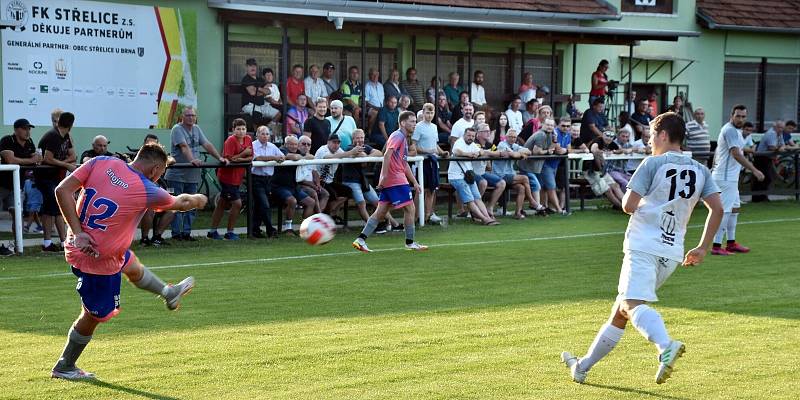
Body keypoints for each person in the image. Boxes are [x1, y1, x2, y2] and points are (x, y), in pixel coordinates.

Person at [561, 112, 724, 386]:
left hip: (643, 245)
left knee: (631, 304)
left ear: (662, 135)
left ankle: (665, 346)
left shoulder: (652, 163)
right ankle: (581, 367)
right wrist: (703, 247)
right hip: (672, 252)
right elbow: (718, 209)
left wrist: (643, 199)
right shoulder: (701, 170)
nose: (649, 142)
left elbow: (627, 205)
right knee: (621, 312)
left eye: (651, 136)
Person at [50, 143, 206, 380]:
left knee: (131, 265)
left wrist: (78, 231)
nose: (159, 178)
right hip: (97, 260)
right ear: (155, 169)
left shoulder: (101, 162)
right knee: (93, 316)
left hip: (81, 245)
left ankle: (168, 292)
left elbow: (62, 190)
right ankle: (65, 365)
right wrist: (199, 198)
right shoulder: (145, 189)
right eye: (161, 173)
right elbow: (181, 203)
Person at [352, 111, 427, 252]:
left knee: (380, 212)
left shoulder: (403, 139)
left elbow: (403, 164)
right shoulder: (397, 135)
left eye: (415, 122)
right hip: (395, 179)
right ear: (403, 123)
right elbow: (387, 154)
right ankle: (410, 243)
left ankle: (360, 240)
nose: (414, 124)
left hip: (395, 178)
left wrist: (415, 182)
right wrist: (384, 176)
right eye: (412, 121)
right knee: (410, 208)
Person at [164, 107, 228, 241]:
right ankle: (176, 234)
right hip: (176, 175)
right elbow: (183, 147)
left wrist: (219, 158)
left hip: (192, 175)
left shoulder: (197, 129)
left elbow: (207, 144)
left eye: (193, 115)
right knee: (176, 204)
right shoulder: (177, 129)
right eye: (188, 115)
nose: (191, 118)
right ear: (182, 116)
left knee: (192, 204)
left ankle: (186, 233)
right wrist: (192, 160)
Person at [710, 105, 764, 255]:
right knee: (725, 211)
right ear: (731, 115)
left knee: (734, 210)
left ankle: (731, 243)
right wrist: (754, 170)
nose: (741, 119)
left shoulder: (736, 132)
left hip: (730, 178)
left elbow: (720, 152)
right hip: (725, 178)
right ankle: (716, 246)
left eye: (743, 116)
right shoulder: (730, 130)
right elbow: (736, 154)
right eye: (738, 116)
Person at [0, 118, 43, 255]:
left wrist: (35, 160)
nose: (28, 131)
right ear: (16, 129)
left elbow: (37, 159)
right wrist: (32, 160)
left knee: (17, 215)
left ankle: (16, 246)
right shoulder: (7, 140)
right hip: (1, 185)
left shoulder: (29, 143)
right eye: (25, 128)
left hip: (16, 186)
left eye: (29, 128)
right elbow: (10, 160)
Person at [342, 129, 399, 229]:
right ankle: (371, 226)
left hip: (362, 181)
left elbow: (378, 153)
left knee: (379, 202)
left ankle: (395, 224)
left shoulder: (365, 147)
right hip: (350, 181)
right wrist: (363, 155)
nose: (360, 140)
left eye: (362, 137)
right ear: (353, 139)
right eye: (357, 138)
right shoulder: (349, 148)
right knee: (361, 203)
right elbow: (358, 154)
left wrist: (367, 156)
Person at [37, 111, 77, 252]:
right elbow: (47, 158)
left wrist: (61, 162)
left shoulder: (65, 136)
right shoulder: (53, 136)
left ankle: (59, 242)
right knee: (53, 207)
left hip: (54, 176)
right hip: (44, 176)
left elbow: (73, 155)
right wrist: (65, 165)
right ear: (71, 124)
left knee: (56, 208)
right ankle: (52, 243)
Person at [207, 119, 253, 241]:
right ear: (233, 130)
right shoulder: (230, 140)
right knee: (237, 203)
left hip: (237, 177)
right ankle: (230, 232)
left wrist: (240, 158)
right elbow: (228, 159)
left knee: (222, 203)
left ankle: (212, 232)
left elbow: (251, 156)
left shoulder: (248, 139)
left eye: (243, 129)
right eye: (238, 129)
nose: (241, 131)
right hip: (226, 177)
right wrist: (243, 154)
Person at [447, 127, 499, 225]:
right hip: (456, 177)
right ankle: (484, 219)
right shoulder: (459, 142)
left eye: (472, 136)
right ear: (464, 135)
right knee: (470, 199)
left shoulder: (473, 144)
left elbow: (482, 151)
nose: (470, 138)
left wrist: (478, 152)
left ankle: (488, 218)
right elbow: (457, 151)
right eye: (468, 135)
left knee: (477, 198)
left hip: (468, 176)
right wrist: (469, 154)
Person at [413, 103, 449, 224]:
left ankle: (428, 215)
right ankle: (415, 216)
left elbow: (435, 145)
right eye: (427, 112)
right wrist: (427, 151)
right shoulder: (418, 126)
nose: (429, 115)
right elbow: (413, 146)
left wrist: (442, 152)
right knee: (420, 190)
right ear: (423, 113)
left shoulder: (434, 127)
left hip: (433, 162)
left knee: (432, 189)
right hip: (422, 162)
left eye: (431, 113)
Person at [272, 135, 316, 234]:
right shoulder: (281, 150)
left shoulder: (298, 152)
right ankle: (288, 228)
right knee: (292, 201)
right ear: (285, 144)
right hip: (279, 186)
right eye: (291, 144)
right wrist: (301, 157)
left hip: (293, 186)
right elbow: (292, 157)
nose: (293, 146)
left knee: (311, 202)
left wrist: (301, 156)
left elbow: (312, 156)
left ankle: (304, 228)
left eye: (295, 144)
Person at [137, 134, 175, 246]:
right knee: (149, 210)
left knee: (172, 208)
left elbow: (172, 159)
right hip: (143, 193)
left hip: (157, 191)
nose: (151, 146)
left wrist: (166, 160)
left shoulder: (161, 157)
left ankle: (157, 237)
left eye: (154, 144)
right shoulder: (139, 157)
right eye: (149, 144)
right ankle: (144, 239)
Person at [521, 118, 564, 215]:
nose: (549, 127)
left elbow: (552, 148)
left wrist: (555, 140)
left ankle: (537, 207)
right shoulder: (541, 134)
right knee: (536, 186)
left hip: (534, 167)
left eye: (552, 125)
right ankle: (538, 209)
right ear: (543, 125)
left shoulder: (549, 135)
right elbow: (536, 151)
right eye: (547, 125)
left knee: (536, 187)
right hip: (527, 166)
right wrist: (547, 152)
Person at [494, 130, 538, 219]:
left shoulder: (514, 145)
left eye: (514, 137)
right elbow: (513, 155)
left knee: (521, 188)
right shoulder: (502, 144)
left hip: (510, 174)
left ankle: (518, 213)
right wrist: (521, 155)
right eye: (510, 137)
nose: (512, 139)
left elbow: (529, 151)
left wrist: (520, 153)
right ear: (506, 137)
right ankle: (531, 201)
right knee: (525, 178)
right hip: (500, 174)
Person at [315, 134, 359, 220]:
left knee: (348, 191)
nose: (336, 145)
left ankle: (329, 214)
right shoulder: (322, 149)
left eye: (338, 143)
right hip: (318, 180)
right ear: (328, 142)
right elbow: (329, 157)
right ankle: (322, 217)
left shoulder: (338, 150)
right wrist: (351, 152)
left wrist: (357, 152)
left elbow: (349, 156)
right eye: (334, 142)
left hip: (329, 182)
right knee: (332, 194)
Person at [250, 125, 281, 238]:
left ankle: (255, 230)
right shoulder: (252, 145)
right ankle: (270, 229)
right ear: (257, 134)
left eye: (267, 134)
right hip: (256, 179)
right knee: (265, 205)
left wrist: (280, 158)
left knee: (260, 206)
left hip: (268, 180)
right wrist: (274, 158)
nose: (265, 136)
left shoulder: (272, 146)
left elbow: (281, 156)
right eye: (262, 133)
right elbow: (258, 158)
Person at [474, 123, 507, 215]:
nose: (488, 133)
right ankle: (475, 209)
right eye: (485, 131)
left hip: (482, 172)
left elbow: (497, 152)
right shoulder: (474, 142)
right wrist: (493, 153)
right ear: (479, 133)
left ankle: (489, 207)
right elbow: (482, 152)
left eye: (489, 131)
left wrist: (496, 153)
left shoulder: (489, 144)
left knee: (502, 183)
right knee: (483, 183)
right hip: (471, 173)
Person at [751, 121, 785, 202]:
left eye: (782, 128)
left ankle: (763, 197)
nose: (781, 129)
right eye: (780, 127)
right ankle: (757, 198)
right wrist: (779, 148)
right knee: (761, 178)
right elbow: (771, 147)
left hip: (767, 158)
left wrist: (781, 147)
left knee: (768, 178)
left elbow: (783, 144)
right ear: (775, 127)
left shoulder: (779, 134)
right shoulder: (771, 133)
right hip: (761, 158)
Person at [296, 135, 329, 213]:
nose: (306, 146)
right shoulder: (296, 157)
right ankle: (319, 217)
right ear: (298, 145)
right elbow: (299, 180)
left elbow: (315, 172)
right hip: (300, 185)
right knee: (314, 193)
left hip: (311, 184)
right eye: (304, 144)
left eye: (308, 144)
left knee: (325, 194)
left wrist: (317, 184)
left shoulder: (311, 158)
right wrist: (313, 185)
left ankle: (315, 218)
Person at [241, 58, 280, 123]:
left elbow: (268, 91)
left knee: (278, 114)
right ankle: (258, 132)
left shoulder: (260, 80)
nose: (253, 67)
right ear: (247, 67)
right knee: (257, 115)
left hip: (262, 105)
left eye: (254, 66)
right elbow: (253, 93)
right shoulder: (246, 79)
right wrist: (263, 91)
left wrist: (257, 88)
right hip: (249, 105)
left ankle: (268, 129)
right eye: (250, 66)